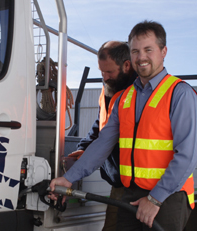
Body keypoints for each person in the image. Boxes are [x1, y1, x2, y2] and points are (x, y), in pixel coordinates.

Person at [50, 20, 197, 231]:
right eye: (135, 51)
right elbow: (103, 143)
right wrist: (68, 178)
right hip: (130, 193)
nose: (141, 57)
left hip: (168, 196)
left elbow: (187, 156)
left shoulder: (180, 93)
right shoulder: (125, 98)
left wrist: (155, 199)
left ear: (163, 51)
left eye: (148, 49)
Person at [68, 40, 136, 231]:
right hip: (118, 180)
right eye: (102, 72)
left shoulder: (141, 93)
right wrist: (84, 148)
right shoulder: (109, 87)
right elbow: (101, 126)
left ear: (126, 65)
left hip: (140, 185)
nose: (105, 77)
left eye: (109, 72)